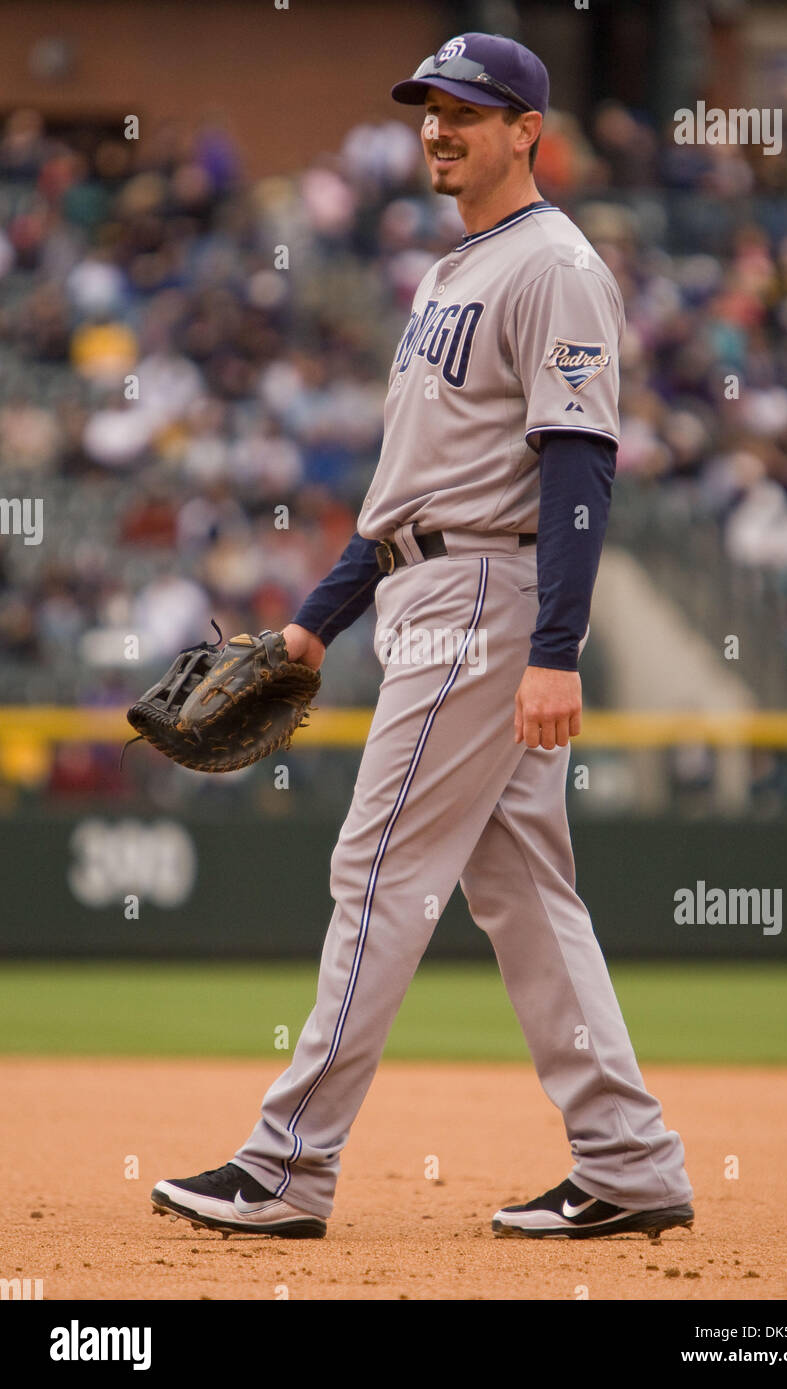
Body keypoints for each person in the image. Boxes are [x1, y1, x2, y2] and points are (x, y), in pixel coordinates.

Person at [152, 32, 694, 1242]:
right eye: (428, 109)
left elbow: (576, 465)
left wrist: (556, 646)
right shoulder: (449, 274)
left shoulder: (552, 266)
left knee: (378, 867)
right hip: (424, 591)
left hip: (485, 606)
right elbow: (402, 498)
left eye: (466, 109)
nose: (438, 127)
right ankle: (628, 1161)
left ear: (524, 131)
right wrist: (310, 626)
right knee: (524, 888)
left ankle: (288, 1163)